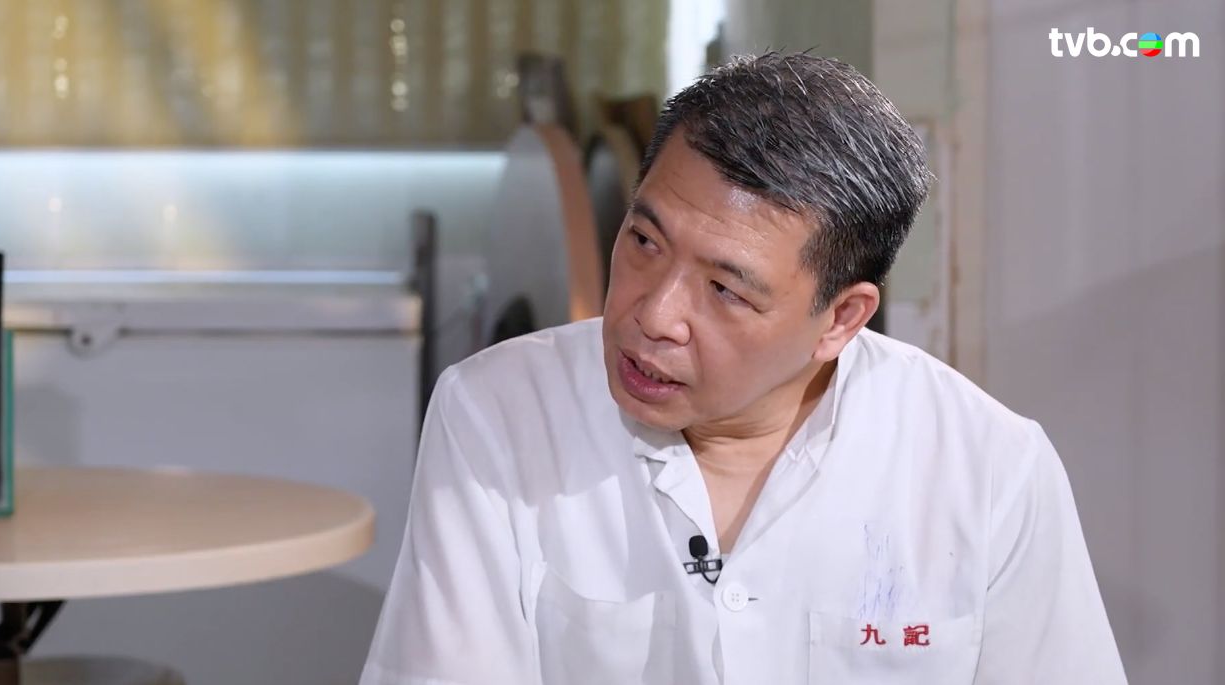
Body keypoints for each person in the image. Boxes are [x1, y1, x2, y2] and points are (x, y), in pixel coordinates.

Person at [360, 52, 1127, 684]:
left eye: (725, 290)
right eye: (644, 242)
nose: (654, 315)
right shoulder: (498, 413)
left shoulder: (988, 469)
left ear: (840, 318)